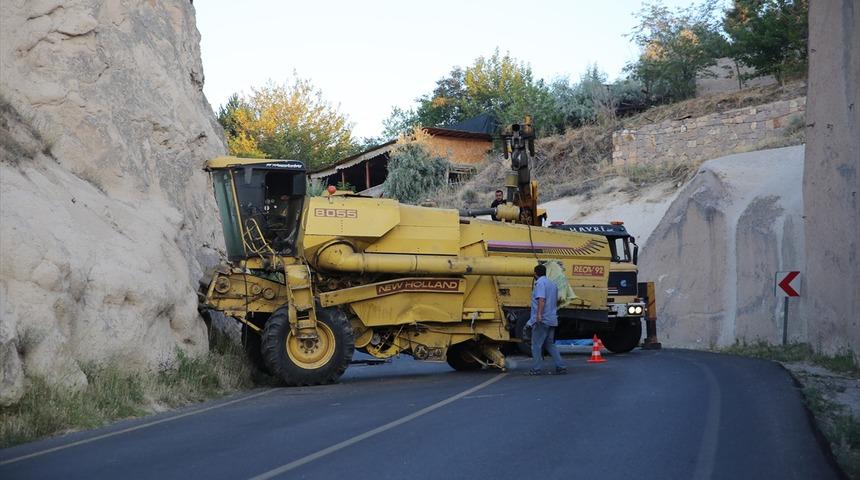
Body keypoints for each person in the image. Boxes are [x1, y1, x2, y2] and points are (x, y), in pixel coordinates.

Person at [527, 263, 566, 375]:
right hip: (552, 318)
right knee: (549, 344)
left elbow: (541, 300)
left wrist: (539, 315)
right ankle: (561, 366)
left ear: (535, 273)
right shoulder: (552, 284)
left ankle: (536, 369)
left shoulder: (540, 283)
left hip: (542, 319)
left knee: (536, 345)